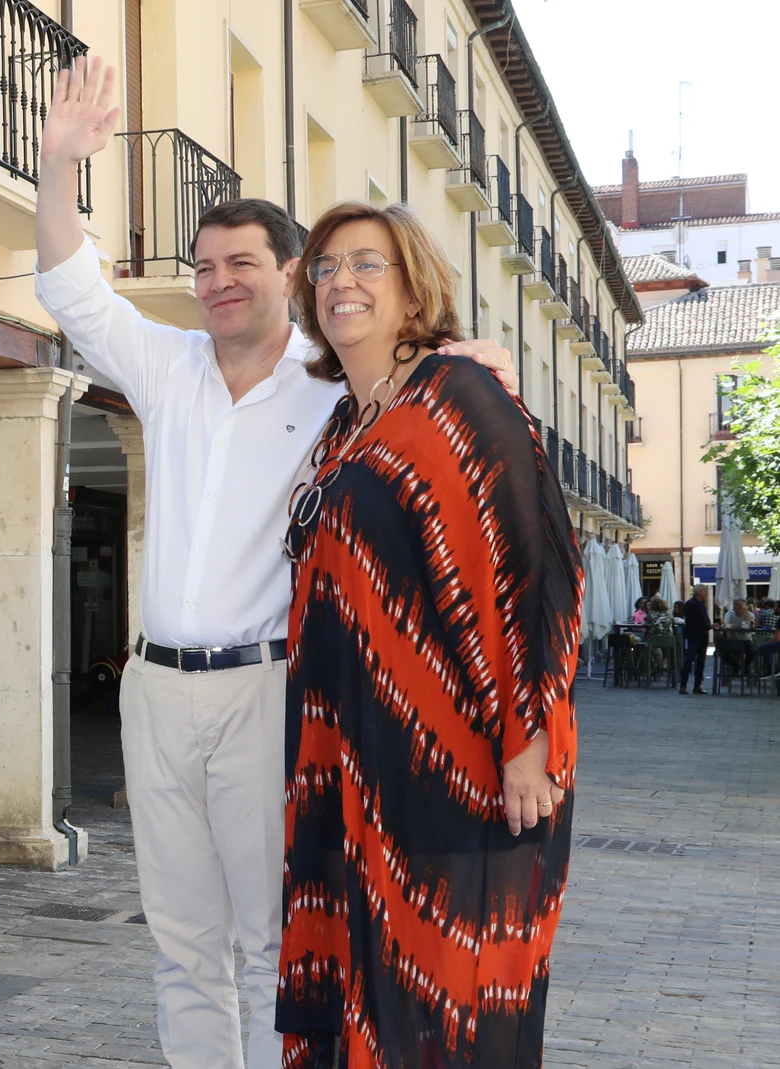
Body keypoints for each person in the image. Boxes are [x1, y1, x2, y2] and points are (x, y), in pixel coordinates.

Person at [32, 56, 515, 1069]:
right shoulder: (165, 367)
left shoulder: (328, 386)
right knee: (181, 940)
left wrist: (463, 362)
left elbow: (419, 375)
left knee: (269, 941)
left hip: (264, 691)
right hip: (154, 690)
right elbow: (72, 291)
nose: (217, 282)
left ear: (290, 273)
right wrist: (56, 164)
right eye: (204, 267)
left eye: (241, 263)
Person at [278, 200, 579, 1068]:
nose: (342, 282)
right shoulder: (345, 427)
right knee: (370, 997)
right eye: (327, 268)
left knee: (449, 1000)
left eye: (368, 264)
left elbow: (534, 564)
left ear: (415, 289)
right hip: (356, 767)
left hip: (461, 764)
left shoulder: (458, 394)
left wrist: (528, 741)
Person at [679, 586, 711, 695]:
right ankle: (683, 685)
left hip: (703, 636)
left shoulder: (702, 604)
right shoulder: (691, 604)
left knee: (701, 661)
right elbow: (693, 621)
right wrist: (708, 626)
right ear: (699, 592)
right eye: (704, 591)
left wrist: (708, 625)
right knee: (689, 660)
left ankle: (697, 685)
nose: (706, 593)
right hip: (693, 636)